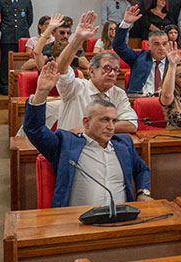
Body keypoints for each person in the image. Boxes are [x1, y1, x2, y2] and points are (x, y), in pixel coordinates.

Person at [24, 61, 152, 207]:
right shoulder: (66, 144)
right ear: (86, 123)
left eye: (114, 121)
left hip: (121, 219)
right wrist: (41, 92)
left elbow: (142, 169)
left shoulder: (123, 143)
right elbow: (34, 129)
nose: (111, 127)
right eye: (104, 120)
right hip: (77, 223)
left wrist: (143, 193)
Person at [54, 11, 138, 133]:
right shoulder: (75, 87)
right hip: (73, 147)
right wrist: (77, 38)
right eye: (107, 68)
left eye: (116, 70)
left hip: (103, 147)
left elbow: (131, 124)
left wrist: (90, 130)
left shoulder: (118, 94)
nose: (112, 74)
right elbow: (61, 69)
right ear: (92, 71)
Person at [113, 6, 170, 95]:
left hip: (166, 103)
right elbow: (119, 46)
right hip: (138, 100)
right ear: (148, 46)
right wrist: (125, 24)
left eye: (164, 44)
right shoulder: (139, 57)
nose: (161, 47)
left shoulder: (173, 62)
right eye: (156, 44)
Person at [0, 0, 33, 94]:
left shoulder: (26, 1)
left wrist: (21, 31)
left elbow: (29, 20)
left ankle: (21, 83)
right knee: (5, 62)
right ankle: (4, 86)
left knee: (23, 61)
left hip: (23, 37)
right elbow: (0, 21)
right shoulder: (1, 1)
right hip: (7, 37)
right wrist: (6, 30)